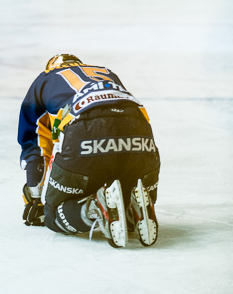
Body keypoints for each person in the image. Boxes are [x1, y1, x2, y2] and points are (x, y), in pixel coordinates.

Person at [18, 54, 160, 248]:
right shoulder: (107, 73)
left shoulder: (45, 78)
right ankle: (130, 209)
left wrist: (34, 195)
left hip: (86, 130)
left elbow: (32, 141)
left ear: (51, 67)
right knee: (118, 188)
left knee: (53, 215)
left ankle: (94, 206)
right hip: (139, 132)